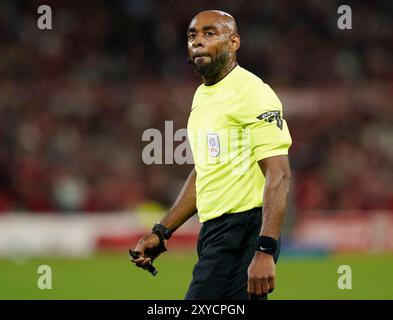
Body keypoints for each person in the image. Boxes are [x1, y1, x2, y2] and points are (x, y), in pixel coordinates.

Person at [131, 10, 292, 300]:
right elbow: (204, 172)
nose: (198, 42)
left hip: (242, 231)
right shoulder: (202, 97)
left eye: (210, 33)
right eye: (192, 36)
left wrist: (265, 249)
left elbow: (279, 172)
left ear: (234, 43)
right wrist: (162, 231)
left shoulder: (252, 91)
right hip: (215, 233)